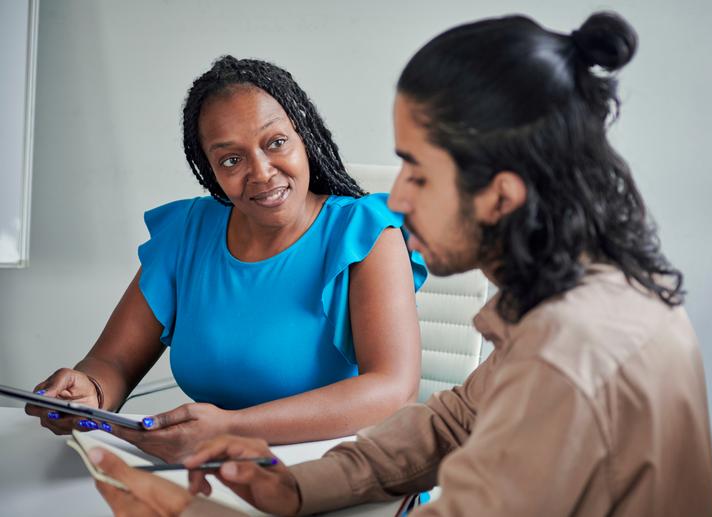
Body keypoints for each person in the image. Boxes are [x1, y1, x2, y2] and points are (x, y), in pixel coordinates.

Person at [90, 11, 712, 516]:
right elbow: (452, 423)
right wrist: (297, 488)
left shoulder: (569, 356)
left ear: (501, 194)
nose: (397, 198)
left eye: (417, 172)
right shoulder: (569, 303)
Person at [26, 56, 427, 462]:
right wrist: (89, 391)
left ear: (304, 135)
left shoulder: (364, 233)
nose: (261, 172)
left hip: (334, 476)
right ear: (210, 171)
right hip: (207, 476)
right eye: (231, 160)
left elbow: (394, 389)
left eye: (276, 142)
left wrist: (231, 429)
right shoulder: (187, 232)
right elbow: (112, 361)